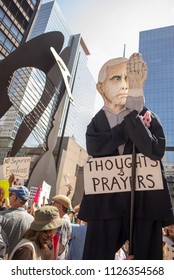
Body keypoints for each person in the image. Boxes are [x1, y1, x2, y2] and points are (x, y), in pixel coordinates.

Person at [78, 53, 174, 260]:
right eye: (116, 78)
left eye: (128, 79)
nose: (124, 84)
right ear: (101, 88)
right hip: (105, 204)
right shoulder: (96, 123)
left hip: (144, 204)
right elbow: (96, 147)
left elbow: (155, 150)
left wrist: (136, 108)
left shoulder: (147, 114)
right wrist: (132, 119)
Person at [0, 186, 34, 256]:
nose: (9, 196)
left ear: (15, 198)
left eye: (11, 194)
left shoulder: (2, 216)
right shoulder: (32, 220)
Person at [52, 194, 72, 260]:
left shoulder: (62, 222)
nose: (52, 205)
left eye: (53, 203)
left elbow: (59, 246)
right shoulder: (65, 219)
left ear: (60, 206)